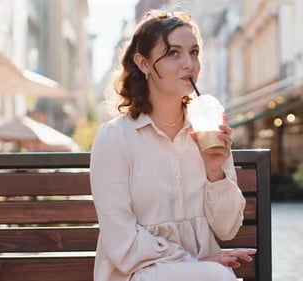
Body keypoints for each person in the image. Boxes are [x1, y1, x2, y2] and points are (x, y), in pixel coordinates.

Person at [89, 10, 255, 281]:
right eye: (173, 53)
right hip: (136, 272)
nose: (189, 63)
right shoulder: (115, 137)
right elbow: (121, 240)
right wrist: (194, 263)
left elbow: (227, 230)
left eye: (194, 52)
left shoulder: (208, 130)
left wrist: (216, 173)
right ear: (143, 64)